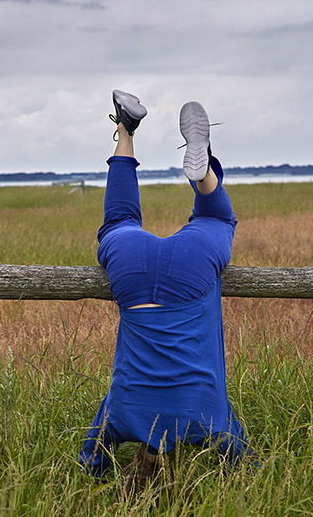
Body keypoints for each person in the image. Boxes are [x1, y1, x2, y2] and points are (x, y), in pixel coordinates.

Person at [79, 89, 253, 489]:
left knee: (217, 220)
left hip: (188, 274)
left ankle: (204, 173)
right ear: (137, 463)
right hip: (134, 277)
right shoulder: (118, 416)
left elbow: (247, 466)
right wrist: (99, 472)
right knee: (119, 220)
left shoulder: (211, 423)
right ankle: (127, 128)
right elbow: (92, 458)